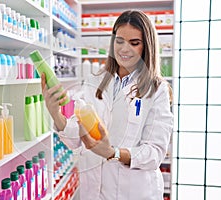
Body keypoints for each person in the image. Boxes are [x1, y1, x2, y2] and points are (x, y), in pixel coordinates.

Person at [41, 9, 174, 200]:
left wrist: (113, 153)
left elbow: (155, 153)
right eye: (119, 41)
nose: (124, 49)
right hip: (94, 190)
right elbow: (76, 137)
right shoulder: (95, 80)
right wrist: (55, 113)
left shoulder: (157, 89)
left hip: (134, 192)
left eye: (134, 43)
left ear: (147, 46)